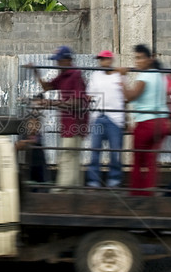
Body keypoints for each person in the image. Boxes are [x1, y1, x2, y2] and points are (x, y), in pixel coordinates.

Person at [28, 45, 88, 188]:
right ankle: (75, 191)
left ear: (68, 60)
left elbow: (78, 103)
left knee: (68, 157)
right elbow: (47, 87)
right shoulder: (63, 75)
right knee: (72, 158)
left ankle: (63, 191)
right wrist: (36, 72)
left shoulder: (75, 75)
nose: (57, 64)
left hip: (75, 123)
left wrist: (51, 102)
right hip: (67, 122)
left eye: (59, 61)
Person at [120, 44, 170, 196]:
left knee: (137, 161)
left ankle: (137, 195)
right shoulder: (160, 76)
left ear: (149, 59)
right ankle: (149, 194)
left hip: (146, 123)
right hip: (162, 123)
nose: (137, 62)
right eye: (136, 58)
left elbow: (130, 96)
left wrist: (121, 77)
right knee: (151, 161)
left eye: (140, 58)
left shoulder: (145, 76)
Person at [85, 50, 125, 187]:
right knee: (95, 150)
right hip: (98, 115)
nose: (103, 62)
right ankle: (93, 180)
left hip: (115, 117)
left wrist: (127, 117)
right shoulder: (95, 76)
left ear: (111, 60)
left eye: (106, 59)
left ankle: (114, 179)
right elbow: (89, 95)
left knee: (115, 151)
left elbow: (124, 97)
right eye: (101, 59)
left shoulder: (118, 75)